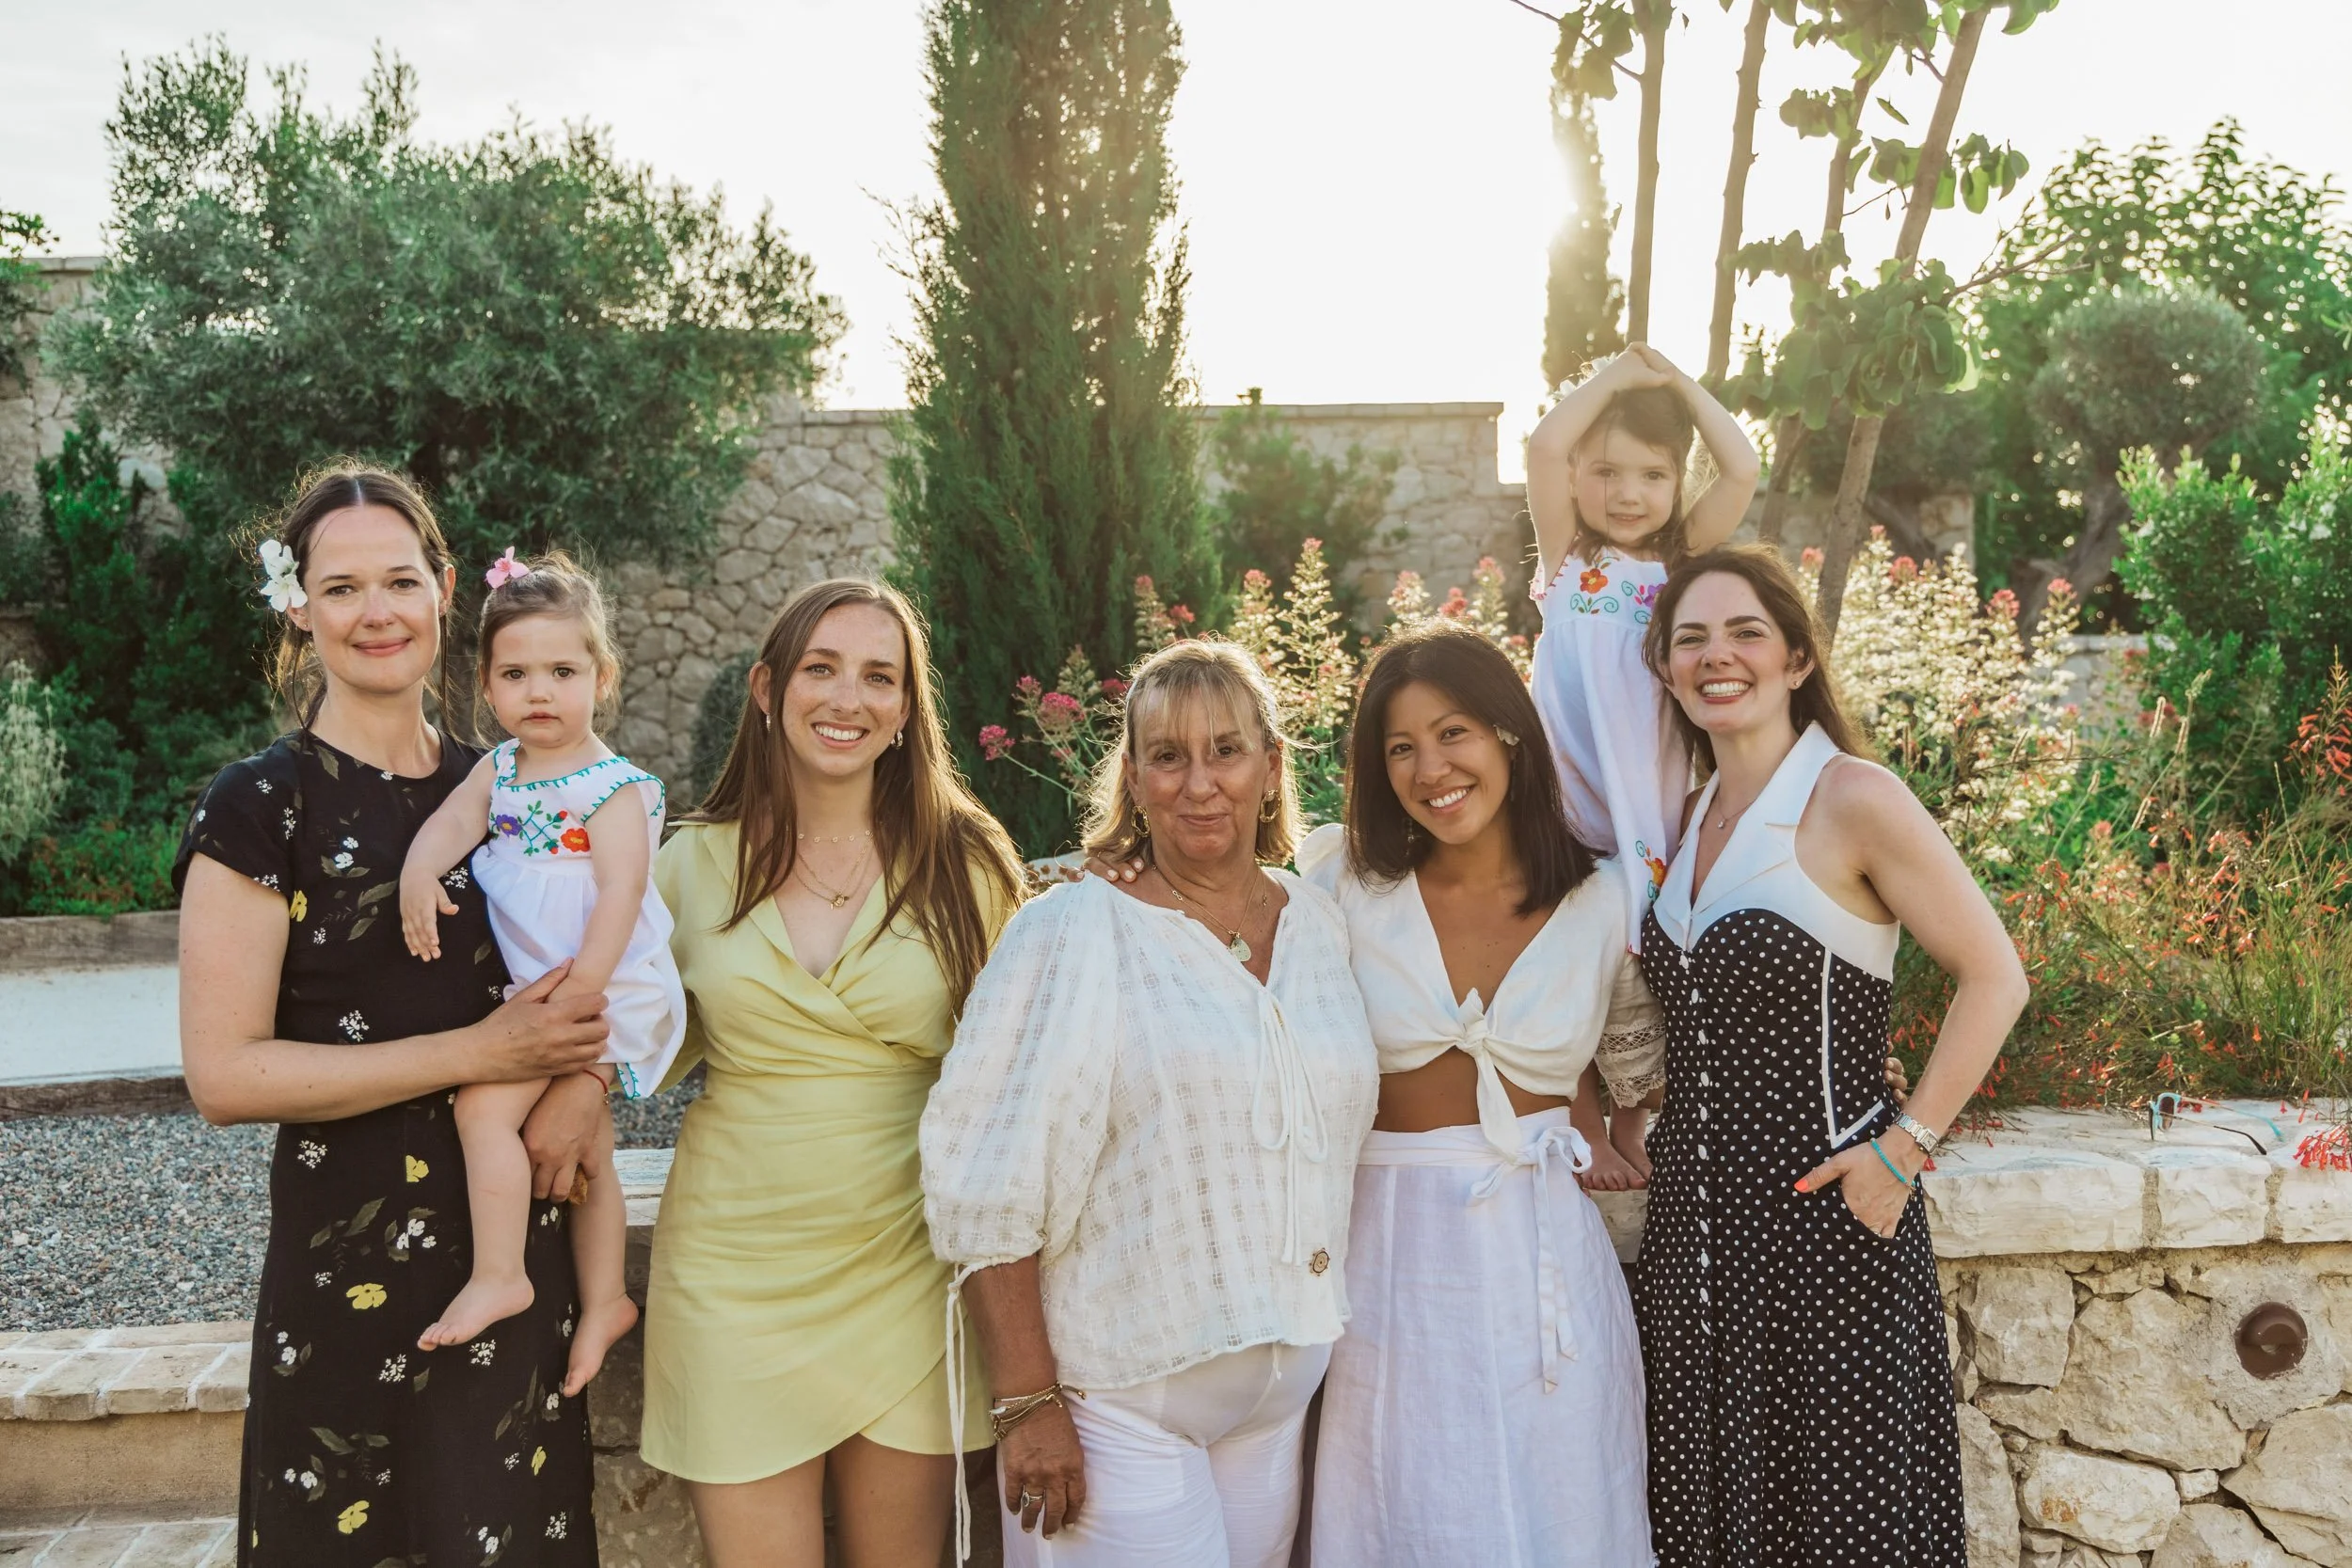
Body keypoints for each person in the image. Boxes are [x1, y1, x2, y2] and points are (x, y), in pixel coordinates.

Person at [177, 467, 610, 1565]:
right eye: (341, 587)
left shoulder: (518, 789)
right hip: (339, 1283)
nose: (377, 612)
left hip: (506, 1271)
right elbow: (224, 1075)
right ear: (298, 604)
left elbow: (602, 971)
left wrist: (582, 1082)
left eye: (401, 580)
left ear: (446, 588)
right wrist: (475, 1053)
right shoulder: (258, 805)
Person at [922, 639, 1380, 1568]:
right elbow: (986, 1174)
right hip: (1119, 1399)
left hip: (1273, 1402)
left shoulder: (1319, 921)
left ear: (1271, 765)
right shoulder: (1074, 928)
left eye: (1225, 749)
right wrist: (1026, 1398)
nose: (1198, 781)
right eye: (1167, 756)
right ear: (1132, 776)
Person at [1632, 546, 2028, 1567]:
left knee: (1837, 1530)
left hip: (1826, 1231)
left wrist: (1903, 1147)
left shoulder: (1853, 796)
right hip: (1690, 1243)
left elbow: (1994, 976)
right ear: (1666, 669)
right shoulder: (1685, 816)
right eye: (1690, 639)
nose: (1717, 656)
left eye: (1744, 632)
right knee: (1703, 1523)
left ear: (1797, 660)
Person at [643, 578, 1026, 1568]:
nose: (846, 698)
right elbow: (608, 1046)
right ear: (768, 688)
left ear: (905, 711)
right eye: (821, 668)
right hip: (732, 1269)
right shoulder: (681, 866)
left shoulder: (966, 863)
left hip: (910, 1258)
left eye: (877, 676)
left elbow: (1032, 1070)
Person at [1295, 621, 1661, 1566]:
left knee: (1564, 1510)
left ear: (1507, 732)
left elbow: (1648, 1063)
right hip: (1388, 1254)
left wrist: (1609, 1120)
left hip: (1545, 1255)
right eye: (1401, 746)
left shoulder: (1607, 896)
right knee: (1403, 1506)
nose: (1430, 767)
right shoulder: (1338, 878)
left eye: (1452, 731)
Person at [397, 549, 683, 1393]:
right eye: (515, 673)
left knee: (484, 1103)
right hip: (550, 990)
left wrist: (581, 1005)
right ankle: (605, 1298)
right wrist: (418, 870)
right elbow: (451, 823)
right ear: (486, 688)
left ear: (602, 676)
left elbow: (623, 894)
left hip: (599, 980)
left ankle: (501, 1272)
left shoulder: (615, 786)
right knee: (590, 1141)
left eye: (562, 670)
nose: (539, 691)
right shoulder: (500, 770)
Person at [1525, 344, 1761, 1189]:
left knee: (1640, 953)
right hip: (1558, 798)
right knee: (1567, 949)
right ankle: (1584, 1112)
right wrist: (1615, 380)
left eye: (1653, 475)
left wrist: (1679, 388)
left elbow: (1741, 466)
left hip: (1645, 806)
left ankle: (1632, 1116)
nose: (1629, 493)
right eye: (1609, 471)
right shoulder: (1567, 562)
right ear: (1581, 477)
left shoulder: (1678, 566)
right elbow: (1544, 448)